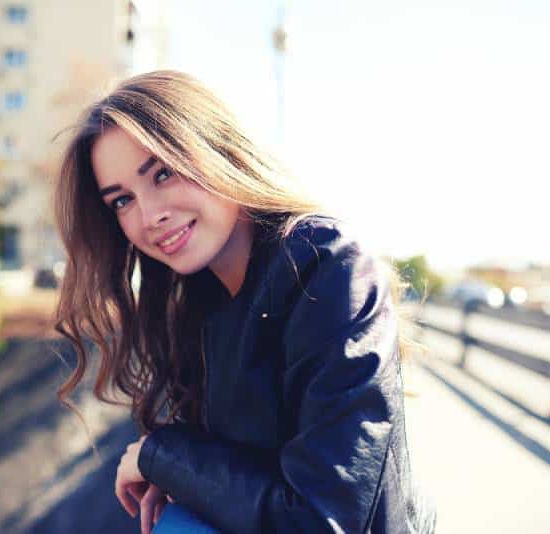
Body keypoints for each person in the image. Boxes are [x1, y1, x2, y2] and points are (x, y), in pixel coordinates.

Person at [52, 70, 436, 534]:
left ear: (219, 150)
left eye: (163, 172)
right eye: (121, 201)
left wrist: (163, 458)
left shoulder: (327, 265)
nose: (150, 215)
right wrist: (185, 476)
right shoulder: (199, 302)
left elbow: (320, 519)